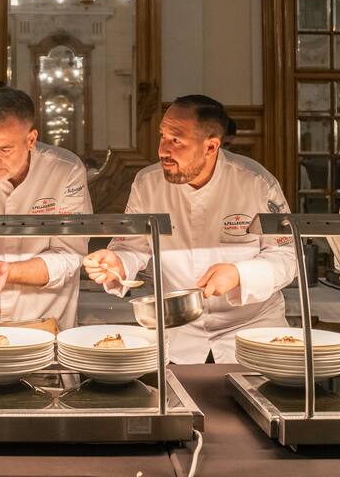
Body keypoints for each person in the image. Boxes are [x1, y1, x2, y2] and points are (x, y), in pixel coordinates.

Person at [84, 96, 296, 363]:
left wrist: (240, 273)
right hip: (179, 335)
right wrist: (116, 262)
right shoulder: (147, 183)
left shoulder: (256, 182)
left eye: (176, 140)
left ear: (211, 146)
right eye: (162, 136)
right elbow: (132, 246)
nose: (162, 150)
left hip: (251, 335)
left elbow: (288, 256)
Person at [0, 87, 92, 330]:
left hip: (44, 321)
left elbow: (70, 255)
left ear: (31, 139)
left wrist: (8, 272)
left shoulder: (66, 170)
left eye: (4, 149)